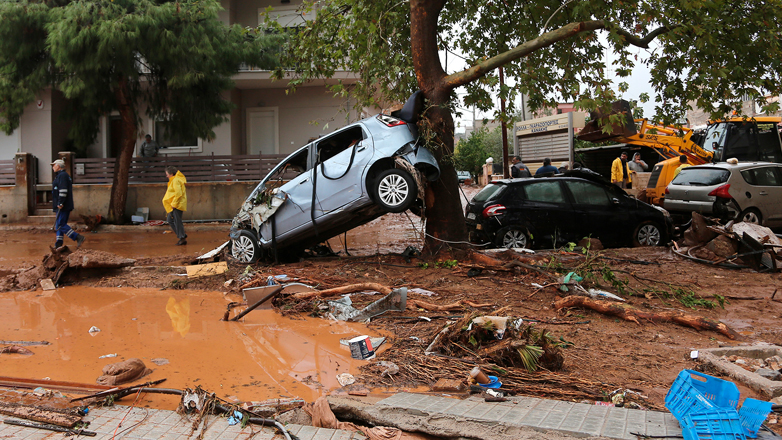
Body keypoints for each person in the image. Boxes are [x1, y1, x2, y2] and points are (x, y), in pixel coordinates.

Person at [51, 159, 85, 249]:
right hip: (61, 204)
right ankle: (58, 243)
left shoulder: (62, 176)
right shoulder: (60, 176)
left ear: (58, 166)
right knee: (59, 225)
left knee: (61, 224)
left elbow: (63, 190)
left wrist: (60, 202)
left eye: (54, 165)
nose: (53, 167)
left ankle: (77, 237)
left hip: (63, 205)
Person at [163, 166, 188, 245]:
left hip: (176, 205)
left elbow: (178, 193)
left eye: (167, 174)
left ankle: (182, 237)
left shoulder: (175, 180)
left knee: (176, 221)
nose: (166, 176)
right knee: (172, 220)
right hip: (176, 204)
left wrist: (174, 204)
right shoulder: (175, 180)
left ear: (171, 174)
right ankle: (182, 235)